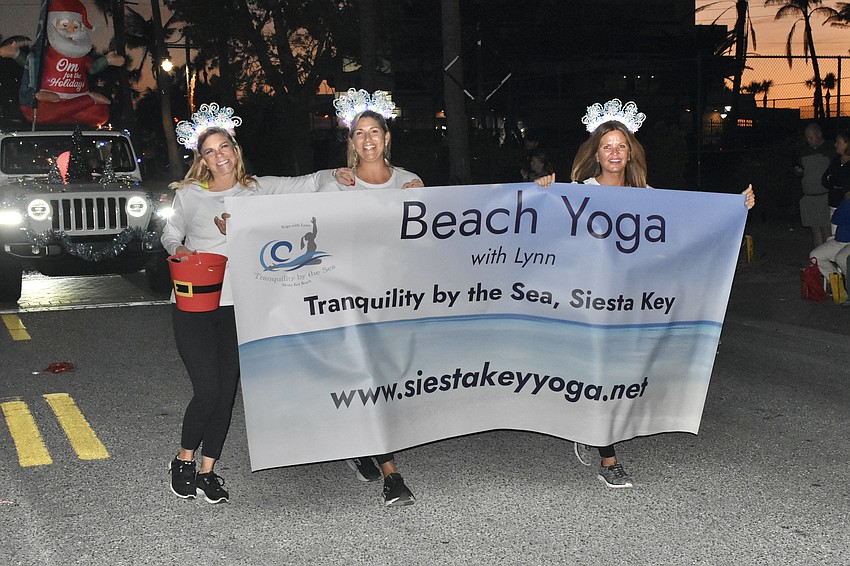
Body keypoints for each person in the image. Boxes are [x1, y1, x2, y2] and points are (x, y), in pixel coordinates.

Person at [536, 99, 755, 489]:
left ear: (630, 152)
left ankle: (594, 430)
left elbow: (685, 224)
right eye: (607, 146)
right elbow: (546, 231)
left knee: (620, 374)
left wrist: (734, 207)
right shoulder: (576, 193)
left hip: (632, 303)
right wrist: (543, 191)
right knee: (600, 374)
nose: (615, 153)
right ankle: (608, 458)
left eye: (622, 146)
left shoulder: (646, 194)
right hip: (590, 303)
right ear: (596, 154)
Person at [162, 103, 352, 504]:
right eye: (210, 151)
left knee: (227, 391)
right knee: (208, 389)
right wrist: (182, 250)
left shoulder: (256, 190)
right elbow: (170, 231)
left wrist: (334, 175)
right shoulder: (191, 195)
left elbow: (307, 184)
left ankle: (207, 470)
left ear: (236, 148)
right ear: (202, 159)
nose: (219, 156)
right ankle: (182, 459)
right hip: (196, 303)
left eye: (224, 146)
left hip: (239, 306)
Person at [319, 88, 421, 506]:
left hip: (395, 300)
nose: (367, 140)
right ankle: (391, 474)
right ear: (351, 142)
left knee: (386, 381)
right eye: (358, 133)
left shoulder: (410, 182)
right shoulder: (336, 184)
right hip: (351, 300)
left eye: (374, 131)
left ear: (387, 137)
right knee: (368, 379)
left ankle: (359, 444)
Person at [794, 123, 833, 247]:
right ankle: (817, 262)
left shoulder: (829, 149)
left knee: (826, 230)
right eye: (807, 138)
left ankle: (827, 261)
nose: (809, 140)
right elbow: (801, 170)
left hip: (823, 195)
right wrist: (798, 171)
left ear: (819, 135)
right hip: (809, 196)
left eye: (811, 137)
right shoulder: (805, 151)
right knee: (815, 231)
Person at [809, 193, 850, 292]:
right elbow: (836, 219)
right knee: (815, 256)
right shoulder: (846, 203)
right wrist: (847, 202)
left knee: (841, 258)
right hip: (840, 240)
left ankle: (848, 287)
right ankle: (839, 287)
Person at [823, 129, 850, 213]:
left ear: (847, 144)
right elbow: (825, 179)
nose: (835, 145)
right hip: (834, 204)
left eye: (838, 142)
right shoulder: (836, 161)